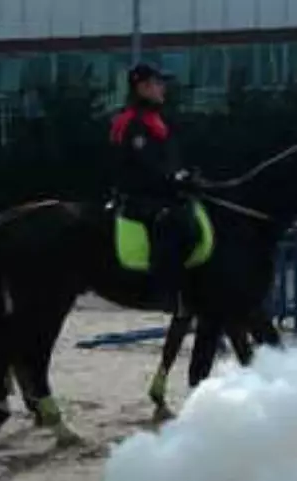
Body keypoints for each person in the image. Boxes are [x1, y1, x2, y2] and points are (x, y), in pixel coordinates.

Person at [109, 62, 198, 312]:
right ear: (143, 87)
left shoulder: (154, 119)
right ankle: (166, 290)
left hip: (160, 192)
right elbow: (145, 165)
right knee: (173, 224)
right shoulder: (134, 122)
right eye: (159, 84)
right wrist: (174, 179)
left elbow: (167, 161)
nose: (164, 89)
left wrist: (184, 176)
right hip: (141, 196)